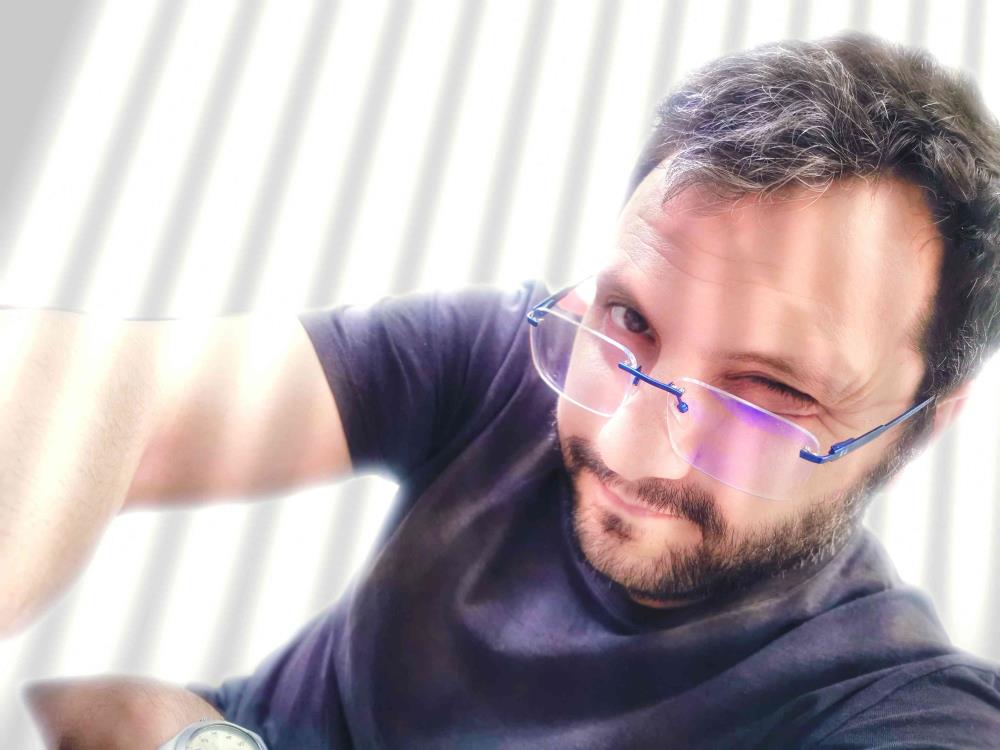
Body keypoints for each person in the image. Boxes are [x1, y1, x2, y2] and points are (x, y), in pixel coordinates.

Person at [19, 32, 1000, 749]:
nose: (627, 445)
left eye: (769, 391)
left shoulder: (895, 705)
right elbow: (113, 386)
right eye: (632, 320)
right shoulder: (516, 356)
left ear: (920, 426)